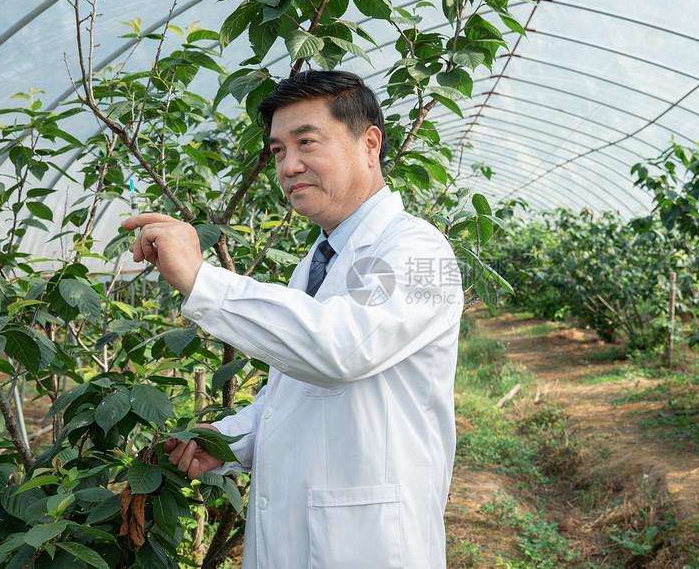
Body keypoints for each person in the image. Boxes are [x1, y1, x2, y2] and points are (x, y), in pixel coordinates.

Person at [121, 70, 463, 569]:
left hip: (369, 546)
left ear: (370, 143)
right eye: (279, 151)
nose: (289, 166)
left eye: (306, 143)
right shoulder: (318, 259)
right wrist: (227, 441)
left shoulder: (419, 252)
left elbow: (340, 350)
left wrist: (202, 279)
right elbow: (295, 397)